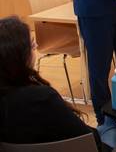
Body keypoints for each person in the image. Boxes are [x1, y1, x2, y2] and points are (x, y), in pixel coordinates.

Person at [0, 16, 108, 150]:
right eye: (33, 45)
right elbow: (89, 139)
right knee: (114, 127)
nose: (37, 47)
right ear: (18, 56)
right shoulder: (40, 98)